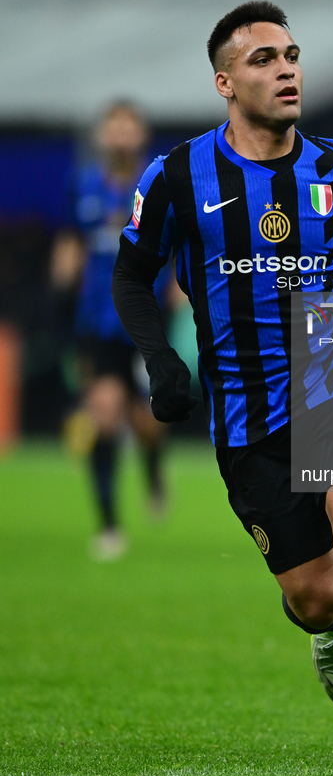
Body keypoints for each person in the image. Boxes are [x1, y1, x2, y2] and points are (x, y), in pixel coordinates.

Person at [112, 2, 333, 775]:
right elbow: (132, 276)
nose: (287, 68)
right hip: (244, 411)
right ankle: (331, 633)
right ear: (226, 82)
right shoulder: (175, 176)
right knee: (316, 597)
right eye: (264, 58)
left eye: (292, 54)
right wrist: (160, 362)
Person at [51, 102, 170, 560]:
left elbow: (176, 246)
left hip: (145, 321)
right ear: (103, 134)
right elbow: (71, 242)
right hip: (97, 319)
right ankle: (108, 525)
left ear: (141, 134)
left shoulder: (159, 182)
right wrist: (60, 290)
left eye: (129, 126)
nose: (120, 135)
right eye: (113, 127)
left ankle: (154, 472)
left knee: (147, 424)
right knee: (104, 413)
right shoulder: (83, 184)